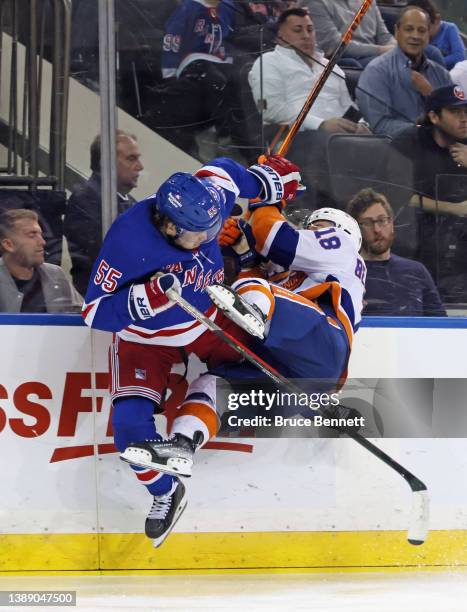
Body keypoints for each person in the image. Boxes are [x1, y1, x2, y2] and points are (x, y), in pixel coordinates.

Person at [81, 154, 301, 546]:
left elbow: (224, 169)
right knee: (130, 432)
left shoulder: (208, 196)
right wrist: (143, 298)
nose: (206, 239)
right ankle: (166, 491)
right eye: (196, 235)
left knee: (274, 356)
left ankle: (308, 394)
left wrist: (265, 184)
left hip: (208, 319)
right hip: (146, 340)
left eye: (210, 230)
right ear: (168, 225)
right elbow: (94, 312)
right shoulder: (127, 243)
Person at [124, 193, 367, 483]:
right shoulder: (302, 275)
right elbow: (269, 290)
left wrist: (266, 197)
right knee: (211, 386)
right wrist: (244, 251)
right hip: (292, 377)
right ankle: (182, 445)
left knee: (253, 288)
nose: (310, 231)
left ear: (339, 231)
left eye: (318, 226)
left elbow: (274, 237)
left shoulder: (342, 247)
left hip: (324, 342)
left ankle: (257, 329)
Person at [248, 7, 370, 206]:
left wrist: (362, 124)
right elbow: (272, 110)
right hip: (293, 136)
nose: (306, 35)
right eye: (298, 30)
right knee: (319, 141)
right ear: (280, 36)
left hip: (339, 138)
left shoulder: (330, 66)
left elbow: (348, 107)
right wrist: (320, 124)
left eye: (310, 29)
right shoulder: (268, 62)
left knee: (380, 142)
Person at [390, 85, 467, 302]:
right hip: (415, 233)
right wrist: (455, 209)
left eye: (466, 112)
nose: (464, 119)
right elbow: (396, 195)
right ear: (433, 116)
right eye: (455, 112)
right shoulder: (407, 143)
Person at [64, 130, 144, 296]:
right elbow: (106, 255)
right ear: (106, 162)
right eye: (131, 158)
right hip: (102, 301)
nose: (140, 166)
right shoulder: (86, 199)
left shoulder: (127, 201)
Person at [346, 188, 446, 316]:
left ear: (392, 223)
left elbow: (440, 325)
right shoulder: (345, 271)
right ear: (355, 229)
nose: (377, 229)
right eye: (367, 223)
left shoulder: (416, 271)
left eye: (382, 220)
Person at [356, 6, 452, 137]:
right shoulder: (376, 71)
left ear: (428, 35)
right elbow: (379, 126)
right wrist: (424, 130)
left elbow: (454, 121)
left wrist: (431, 94)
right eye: (409, 29)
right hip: (395, 152)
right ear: (396, 31)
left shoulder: (442, 74)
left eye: (422, 30)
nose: (415, 36)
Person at [0, 209, 82, 313]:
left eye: (40, 234)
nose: (42, 242)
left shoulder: (55, 274)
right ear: (8, 245)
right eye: (32, 235)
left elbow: (83, 316)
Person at [305, 0, 395, 68]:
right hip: (348, 60)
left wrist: (397, 47)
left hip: (377, 55)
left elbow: (384, 36)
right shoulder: (316, 3)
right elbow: (335, 46)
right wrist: (381, 50)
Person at [407, 0, 466, 70]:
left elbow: (460, 57)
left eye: (425, 29)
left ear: (437, 19)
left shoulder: (449, 29)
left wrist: (432, 63)